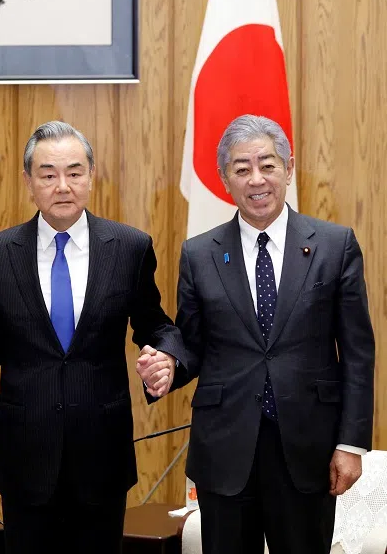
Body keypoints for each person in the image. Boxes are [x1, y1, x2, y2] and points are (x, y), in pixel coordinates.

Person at [137, 114, 375, 553]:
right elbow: (193, 344)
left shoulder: (334, 245)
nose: (256, 178)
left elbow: (359, 350)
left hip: (308, 449)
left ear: (289, 169)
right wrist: (169, 363)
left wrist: (351, 442)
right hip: (226, 449)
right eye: (241, 168)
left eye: (267, 164)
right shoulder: (198, 254)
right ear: (225, 178)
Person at [0, 120, 182, 553]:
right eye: (48, 174)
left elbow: (157, 325)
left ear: (91, 176)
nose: (63, 186)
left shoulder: (130, 246)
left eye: (74, 172)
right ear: (28, 182)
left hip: (102, 450)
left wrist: (166, 357)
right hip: (27, 451)